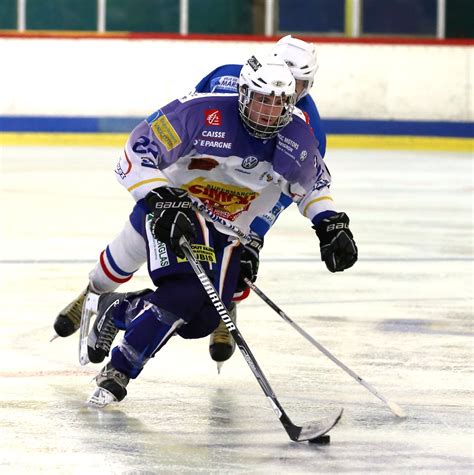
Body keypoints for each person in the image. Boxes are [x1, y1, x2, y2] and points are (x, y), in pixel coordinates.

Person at [79, 54, 357, 406]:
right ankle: (118, 371)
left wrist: (330, 223)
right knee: (185, 292)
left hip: (229, 232)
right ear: (242, 93)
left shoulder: (298, 135)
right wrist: (159, 196)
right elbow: (137, 149)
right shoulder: (200, 112)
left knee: (202, 319)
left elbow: (313, 185)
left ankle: (119, 310)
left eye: (277, 103)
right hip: (176, 210)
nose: (266, 112)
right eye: (260, 100)